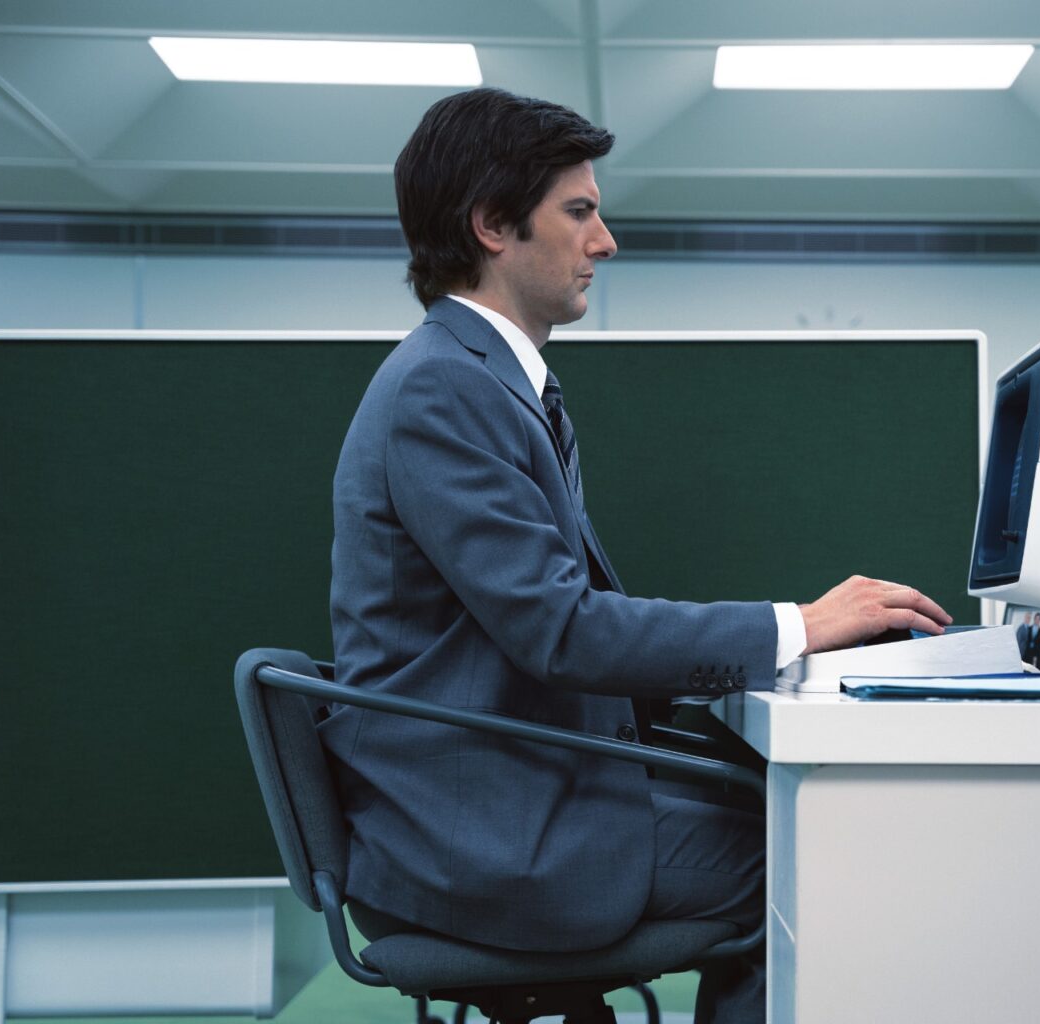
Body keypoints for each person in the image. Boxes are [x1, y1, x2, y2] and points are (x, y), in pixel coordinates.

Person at [322, 87, 951, 1024]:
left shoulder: (480, 382)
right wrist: (800, 626)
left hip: (501, 798)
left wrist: (778, 653)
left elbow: (553, 623)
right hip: (483, 832)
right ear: (493, 225)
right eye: (579, 213)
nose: (605, 241)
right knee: (808, 849)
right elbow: (560, 631)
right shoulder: (446, 392)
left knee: (783, 812)